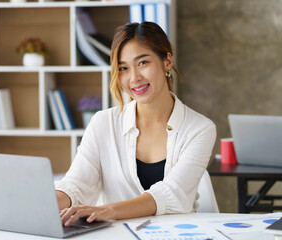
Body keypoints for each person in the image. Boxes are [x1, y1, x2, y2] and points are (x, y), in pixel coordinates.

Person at [55, 22, 216, 226]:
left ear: (167, 61)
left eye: (142, 63)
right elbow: (76, 186)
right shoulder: (103, 123)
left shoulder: (200, 129)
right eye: (123, 68)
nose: (134, 78)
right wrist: (46, 202)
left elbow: (172, 194)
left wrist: (105, 210)